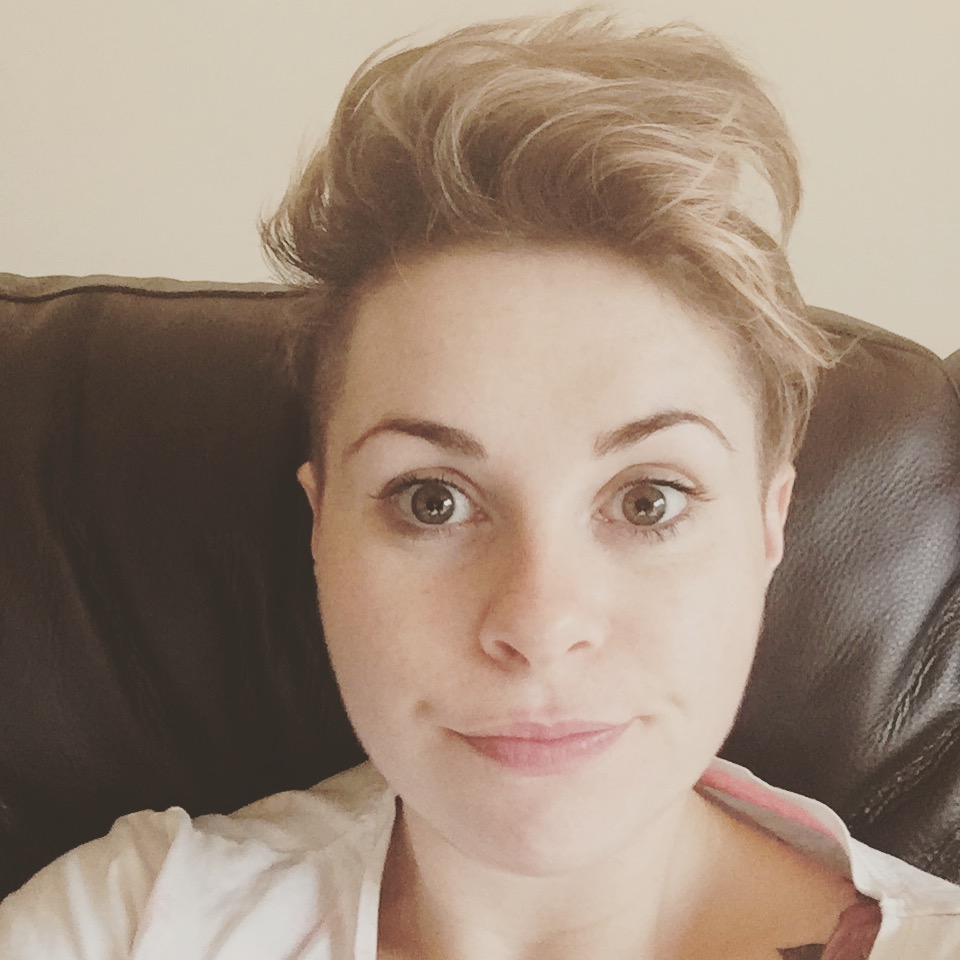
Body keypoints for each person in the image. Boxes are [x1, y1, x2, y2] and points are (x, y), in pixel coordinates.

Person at [2, 10, 959, 959]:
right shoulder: (124, 926)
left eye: (649, 501)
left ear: (768, 526)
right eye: (433, 501)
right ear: (321, 524)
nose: (538, 623)